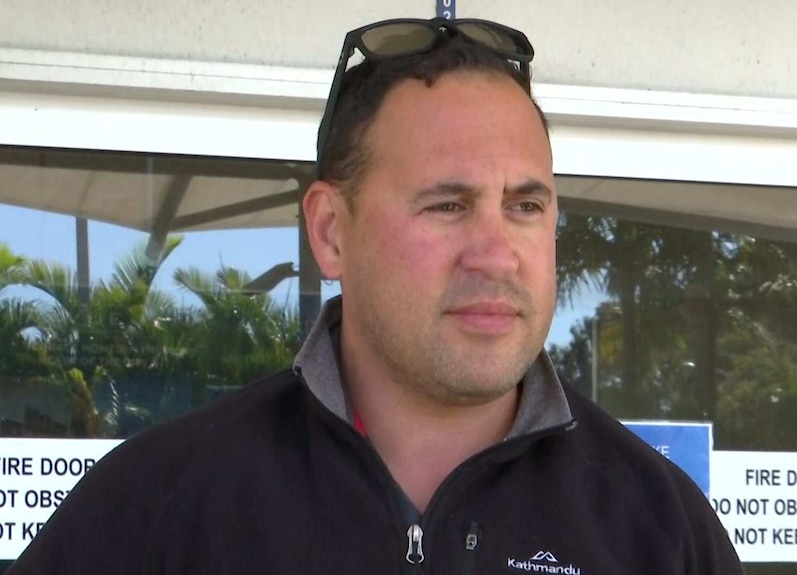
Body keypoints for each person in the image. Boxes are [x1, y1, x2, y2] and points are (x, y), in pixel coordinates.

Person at [8, 17, 744, 574]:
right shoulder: (158, 510)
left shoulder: (661, 529)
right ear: (331, 231)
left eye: (525, 206)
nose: (496, 254)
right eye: (447, 205)